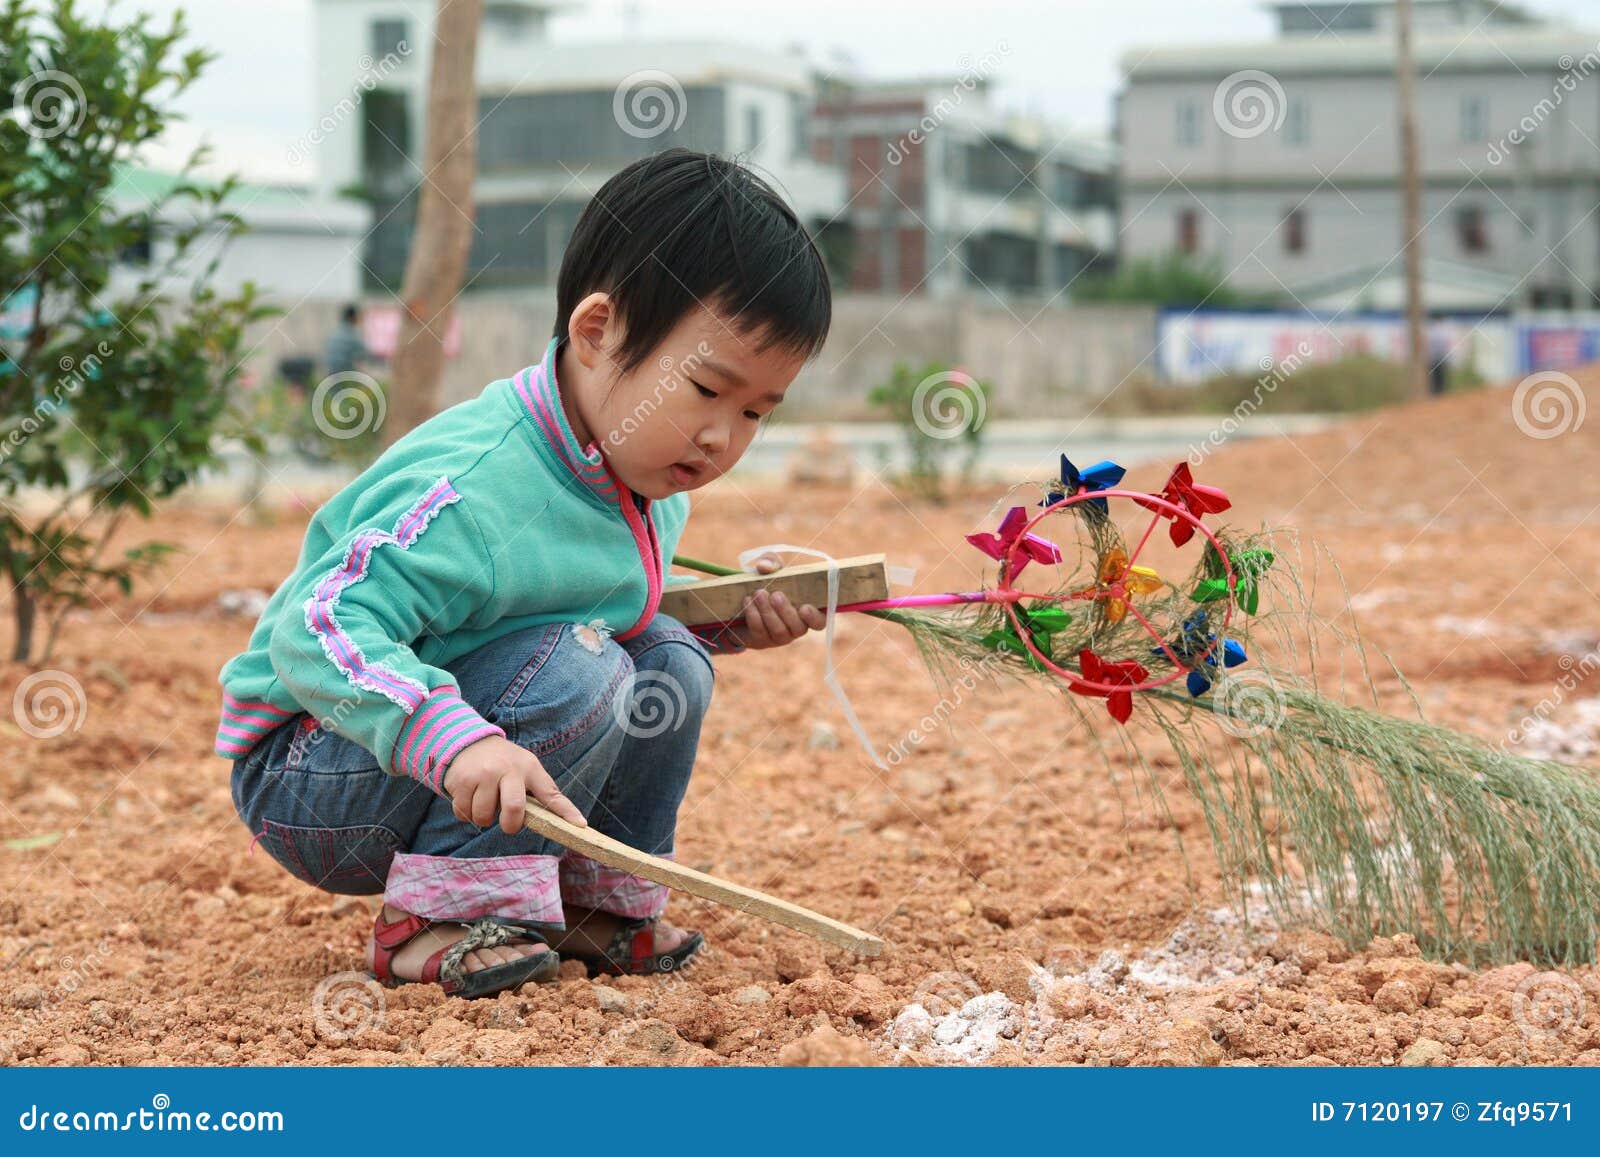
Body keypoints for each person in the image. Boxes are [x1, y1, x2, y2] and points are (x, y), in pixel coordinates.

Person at [218, 149, 832, 998]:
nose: (723, 437)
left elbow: (610, 610)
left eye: (757, 412)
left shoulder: (637, 473)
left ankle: (590, 899)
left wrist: (745, 611)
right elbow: (314, 629)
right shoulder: (476, 487)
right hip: (316, 769)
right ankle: (440, 916)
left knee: (669, 660)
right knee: (580, 665)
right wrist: (453, 738)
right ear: (596, 330)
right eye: (706, 390)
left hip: (443, 751)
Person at [322, 303, 375, 377]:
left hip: (330, 373)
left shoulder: (334, 333)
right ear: (353, 317)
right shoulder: (352, 334)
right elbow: (367, 354)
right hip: (344, 373)